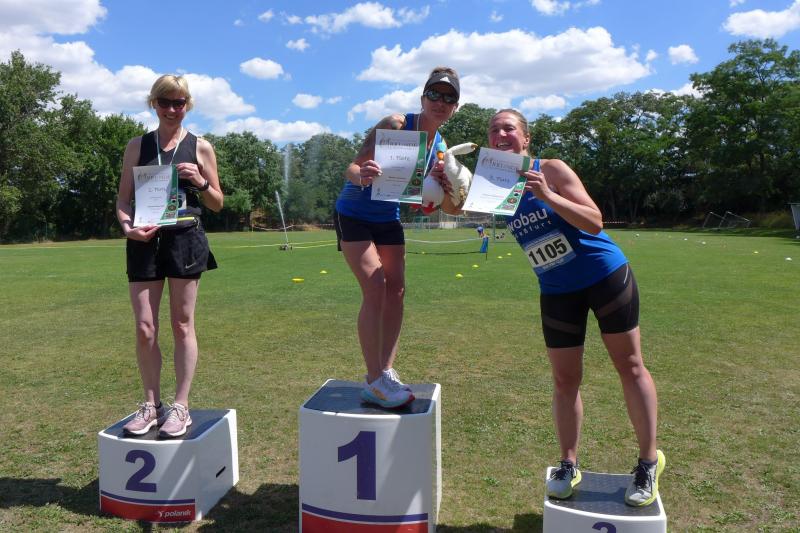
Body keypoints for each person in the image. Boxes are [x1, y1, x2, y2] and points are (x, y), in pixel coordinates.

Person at [487, 109, 664, 506]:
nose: (501, 133)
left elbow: (595, 221)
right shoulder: (493, 184)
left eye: (509, 127)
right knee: (565, 380)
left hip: (605, 276)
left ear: (525, 138)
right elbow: (453, 204)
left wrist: (547, 195)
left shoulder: (551, 169)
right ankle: (568, 463)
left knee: (630, 365)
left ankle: (648, 462)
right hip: (556, 289)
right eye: (494, 129)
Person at [334, 67, 460, 408]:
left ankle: (386, 371)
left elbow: (424, 206)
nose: (440, 101)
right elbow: (352, 167)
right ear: (422, 98)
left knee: (397, 291)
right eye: (434, 94)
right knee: (375, 287)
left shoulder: (440, 147)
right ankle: (373, 379)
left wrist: (436, 193)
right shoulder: (397, 124)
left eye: (449, 97)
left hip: (387, 217)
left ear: (455, 108)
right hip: (354, 212)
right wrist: (362, 175)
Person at [116, 74, 223, 438]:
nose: (172, 109)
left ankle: (181, 405)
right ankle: (151, 405)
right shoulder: (137, 146)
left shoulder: (201, 147)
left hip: (185, 239)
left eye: (179, 103)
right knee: (145, 327)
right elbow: (123, 200)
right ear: (154, 104)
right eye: (165, 102)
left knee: (182, 324)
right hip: (144, 239)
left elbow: (218, 202)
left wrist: (201, 181)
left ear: (187, 105)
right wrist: (127, 227)